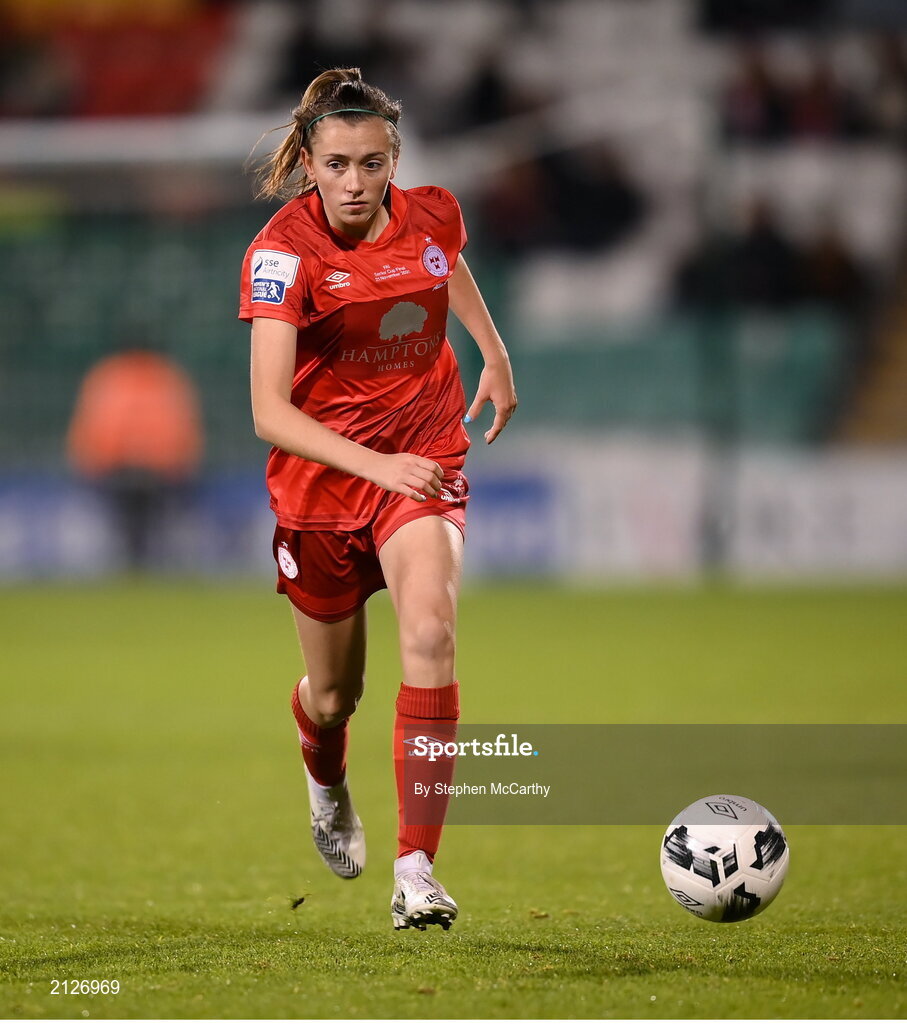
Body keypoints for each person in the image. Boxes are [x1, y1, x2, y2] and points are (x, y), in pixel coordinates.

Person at [238, 67, 516, 931]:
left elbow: (444, 268)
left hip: (423, 459)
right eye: (336, 165)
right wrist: (371, 464)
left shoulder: (431, 210)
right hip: (322, 491)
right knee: (334, 699)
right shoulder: (283, 255)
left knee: (430, 631)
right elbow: (267, 412)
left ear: (394, 158)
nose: (355, 183)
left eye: (371, 163)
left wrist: (492, 352)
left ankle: (415, 868)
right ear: (308, 165)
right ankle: (326, 784)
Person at [66, 346, 203, 570]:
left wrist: (89, 462)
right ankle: (144, 565)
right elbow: (181, 427)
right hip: (152, 469)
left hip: (124, 468)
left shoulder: (108, 376)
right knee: (148, 525)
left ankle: (134, 564)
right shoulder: (165, 376)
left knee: (133, 525)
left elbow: (93, 426)